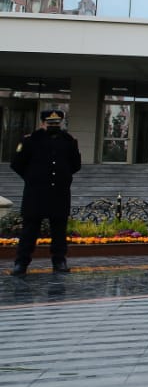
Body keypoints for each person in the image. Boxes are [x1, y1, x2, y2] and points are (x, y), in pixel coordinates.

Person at [9, 110, 82, 276]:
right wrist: (32, 178)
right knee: (29, 230)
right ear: (42, 123)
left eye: (57, 123)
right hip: (36, 193)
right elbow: (17, 164)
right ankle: (21, 263)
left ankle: (59, 261)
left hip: (59, 192)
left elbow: (75, 165)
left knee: (59, 230)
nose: (53, 126)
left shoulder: (68, 141)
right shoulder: (30, 140)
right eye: (50, 123)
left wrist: (63, 176)